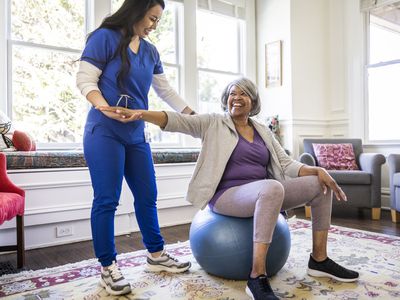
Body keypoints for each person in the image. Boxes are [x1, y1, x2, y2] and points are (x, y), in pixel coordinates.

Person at [98, 77, 359, 300]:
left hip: (265, 192)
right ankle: (256, 277)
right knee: (271, 189)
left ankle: (319, 260)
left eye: (243, 93)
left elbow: (285, 163)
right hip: (228, 196)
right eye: (232, 93)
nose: (237, 97)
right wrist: (142, 114)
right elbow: (176, 120)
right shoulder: (214, 123)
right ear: (226, 99)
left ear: (253, 102)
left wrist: (318, 171)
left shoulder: (262, 130)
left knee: (319, 185)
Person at [76, 0, 193, 296]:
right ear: (137, 10)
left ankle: (156, 255)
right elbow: (85, 80)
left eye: (157, 20)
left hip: (137, 133)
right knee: (107, 199)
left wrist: (193, 115)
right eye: (152, 18)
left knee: (147, 195)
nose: (154, 25)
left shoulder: (151, 51)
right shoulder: (104, 37)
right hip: (104, 131)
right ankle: (107, 267)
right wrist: (104, 107)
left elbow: (165, 90)